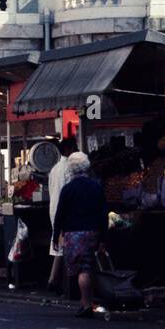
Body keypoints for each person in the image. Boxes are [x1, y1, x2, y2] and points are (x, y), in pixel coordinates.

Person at [52, 152, 109, 318]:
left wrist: (56, 236)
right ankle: (89, 302)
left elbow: (59, 215)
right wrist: (104, 238)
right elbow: (103, 214)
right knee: (89, 268)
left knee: (82, 270)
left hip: (73, 234)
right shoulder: (96, 187)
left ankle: (85, 303)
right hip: (92, 232)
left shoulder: (68, 189)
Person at [45, 136, 81, 293]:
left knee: (59, 245)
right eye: (74, 147)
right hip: (65, 210)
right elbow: (72, 191)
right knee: (66, 245)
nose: (77, 150)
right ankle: (67, 283)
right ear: (68, 149)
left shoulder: (55, 169)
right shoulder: (69, 168)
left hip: (54, 209)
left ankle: (53, 280)